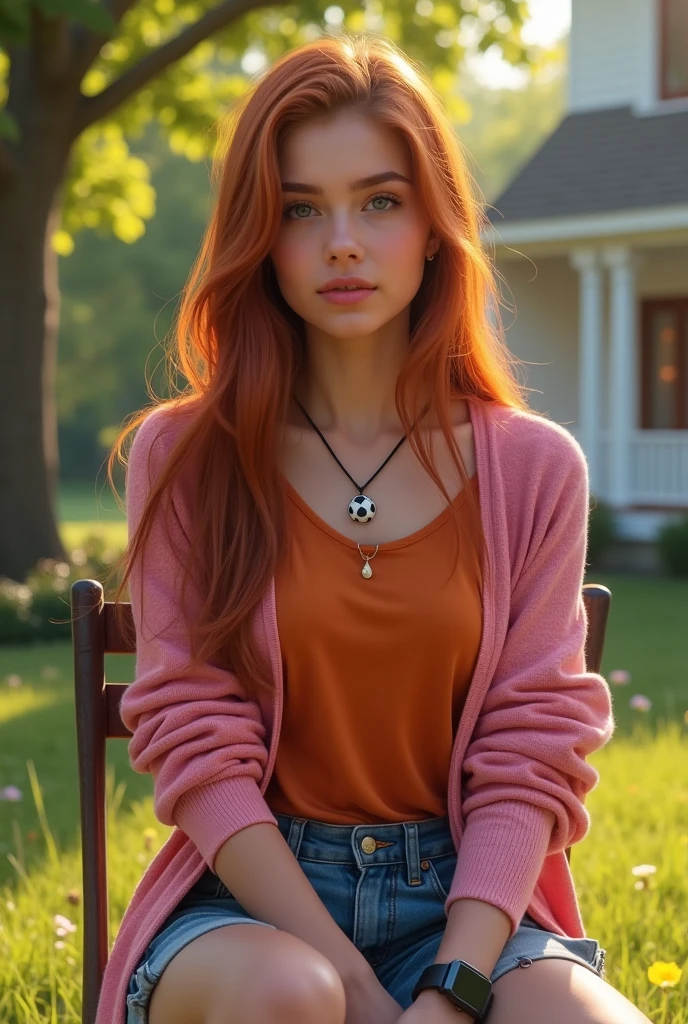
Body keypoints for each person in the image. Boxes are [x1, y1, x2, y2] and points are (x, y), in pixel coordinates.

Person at [100, 32, 649, 1024]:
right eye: (300, 210)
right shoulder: (187, 457)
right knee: (294, 994)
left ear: (434, 225)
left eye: (379, 201)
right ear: (258, 236)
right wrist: (351, 983)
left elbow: (529, 751)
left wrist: (452, 987)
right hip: (245, 903)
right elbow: (196, 740)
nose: (341, 241)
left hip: (463, 906)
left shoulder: (532, 468)